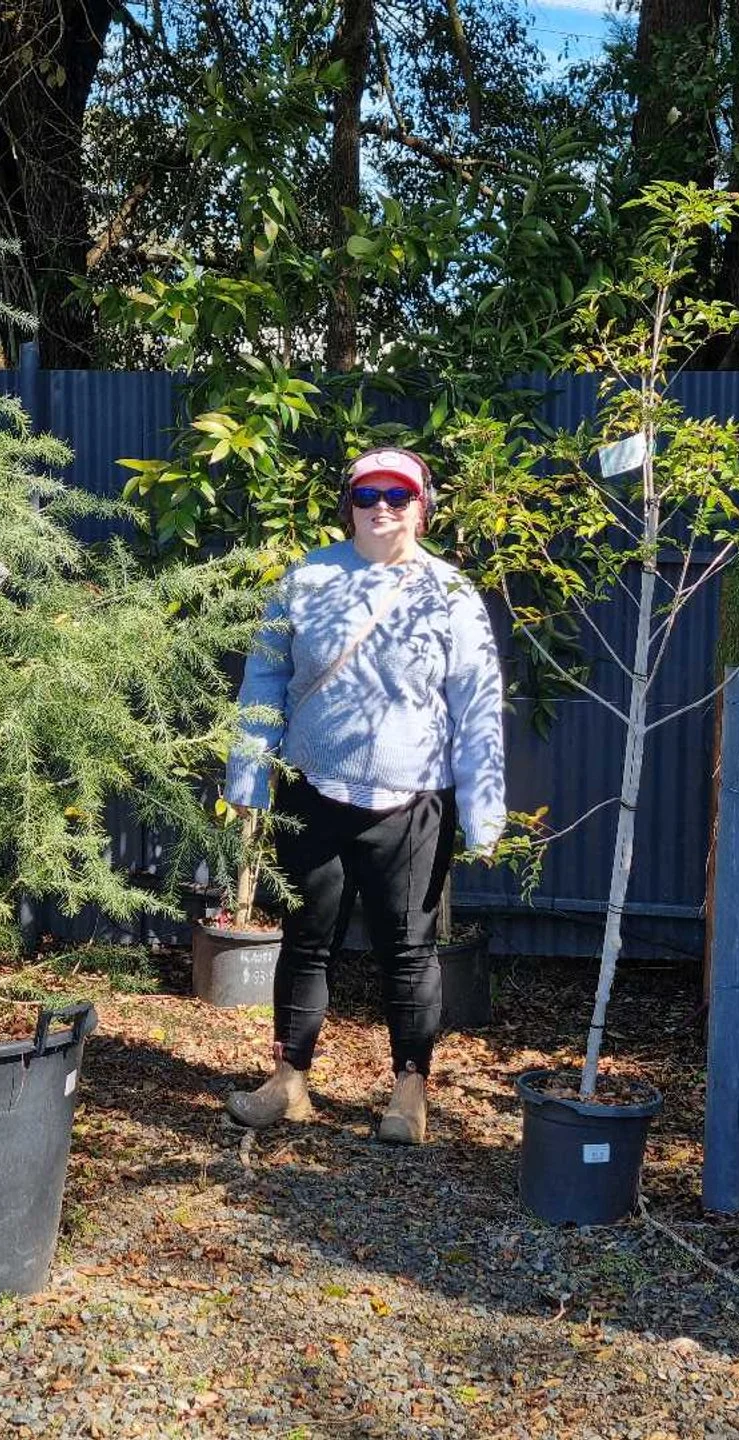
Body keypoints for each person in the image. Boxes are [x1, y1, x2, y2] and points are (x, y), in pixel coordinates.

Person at [222, 447, 506, 1144]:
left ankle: (409, 1094)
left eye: (399, 495)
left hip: (412, 803)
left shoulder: (451, 593)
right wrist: (247, 775)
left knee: (408, 950)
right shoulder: (306, 581)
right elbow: (265, 679)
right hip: (313, 790)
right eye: (368, 494)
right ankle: (288, 1082)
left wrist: (484, 809)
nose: (383, 507)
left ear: (423, 506)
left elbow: (478, 704)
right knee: (305, 939)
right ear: (347, 504)